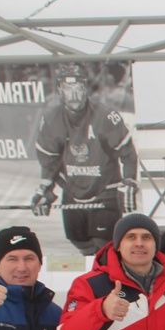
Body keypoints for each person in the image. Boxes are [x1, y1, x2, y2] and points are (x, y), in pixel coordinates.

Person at [32, 62, 139, 255]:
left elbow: (128, 153)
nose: (74, 94)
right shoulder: (51, 119)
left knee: (103, 248)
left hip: (104, 193)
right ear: (59, 90)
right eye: (68, 88)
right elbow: (50, 160)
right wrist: (45, 189)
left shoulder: (105, 116)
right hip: (72, 194)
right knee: (79, 242)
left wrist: (129, 180)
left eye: (78, 88)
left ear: (85, 89)